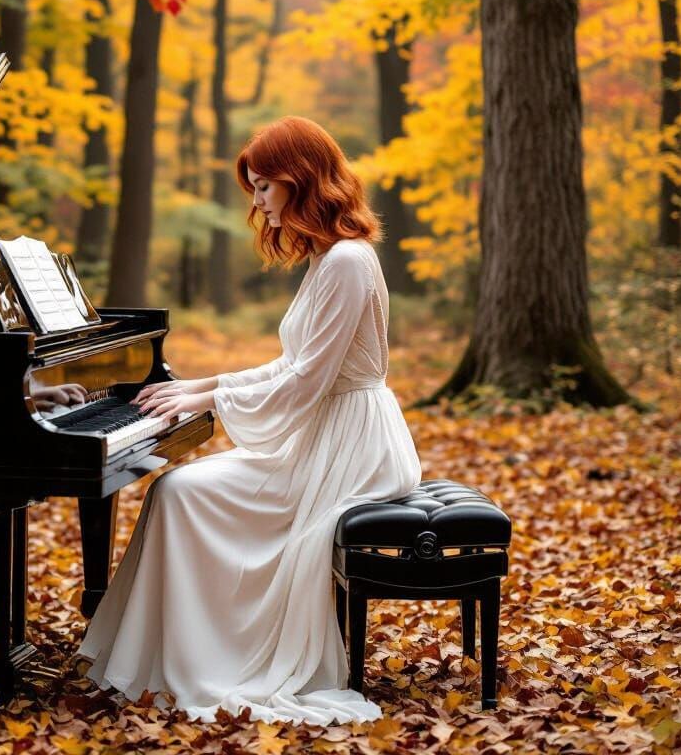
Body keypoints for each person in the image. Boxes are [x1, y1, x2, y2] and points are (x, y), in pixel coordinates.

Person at [75, 115, 422, 725]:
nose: (257, 203)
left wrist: (209, 401)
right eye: (255, 189)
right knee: (176, 492)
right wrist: (206, 385)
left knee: (180, 492)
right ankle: (166, 655)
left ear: (300, 179)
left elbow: (306, 383)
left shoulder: (345, 261)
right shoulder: (330, 257)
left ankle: (195, 658)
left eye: (264, 186)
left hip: (349, 446)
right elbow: (295, 365)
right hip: (326, 432)